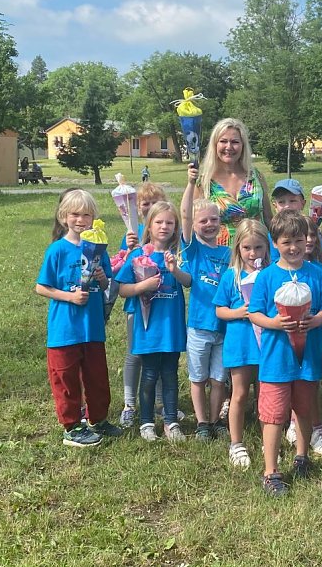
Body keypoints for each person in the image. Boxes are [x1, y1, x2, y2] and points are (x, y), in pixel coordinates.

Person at [248, 210, 322, 496]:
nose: (293, 247)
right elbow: (254, 313)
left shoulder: (317, 273)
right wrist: (274, 323)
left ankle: (302, 456)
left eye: (299, 240)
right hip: (276, 359)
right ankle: (271, 471)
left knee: (304, 409)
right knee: (273, 415)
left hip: (307, 358)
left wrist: (317, 320)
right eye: (286, 242)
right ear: (275, 244)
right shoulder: (267, 276)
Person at [35, 189, 122, 447]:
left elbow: (107, 284)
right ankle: (71, 426)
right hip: (65, 330)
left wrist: (102, 278)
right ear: (64, 217)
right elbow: (41, 287)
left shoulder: (97, 249)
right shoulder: (57, 250)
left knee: (97, 377)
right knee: (67, 379)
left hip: (92, 327)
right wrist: (69, 297)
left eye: (87, 214)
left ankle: (98, 420)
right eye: (75, 214)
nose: (81, 220)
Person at [116, 201, 191, 443]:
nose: (164, 226)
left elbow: (188, 282)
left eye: (170, 222)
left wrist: (174, 269)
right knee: (149, 374)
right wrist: (142, 287)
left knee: (170, 374)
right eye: (159, 222)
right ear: (149, 226)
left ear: (175, 227)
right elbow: (123, 289)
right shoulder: (139, 255)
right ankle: (146, 421)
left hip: (171, 326)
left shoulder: (179, 254)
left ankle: (171, 421)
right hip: (148, 329)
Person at [269, 178, 322, 456]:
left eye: (292, 200)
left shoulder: (311, 232)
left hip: (312, 315)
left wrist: (315, 245)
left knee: (309, 379)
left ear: (303, 203)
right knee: (281, 378)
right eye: (281, 201)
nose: (287, 206)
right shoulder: (277, 240)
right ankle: (289, 423)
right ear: (274, 206)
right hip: (281, 329)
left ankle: (312, 426)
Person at [180, 168, 232, 442]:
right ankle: (201, 422)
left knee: (218, 379)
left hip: (223, 328)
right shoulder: (192, 249)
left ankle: (216, 420)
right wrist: (190, 184)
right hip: (199, 326)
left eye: (214, 219)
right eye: (203, 221)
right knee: (198, 378)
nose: (209, 224)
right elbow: (185, 215)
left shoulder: (228, 253)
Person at [213, 219, 268, 468]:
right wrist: (239, 312)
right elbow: (220, 310)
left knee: (265, 394)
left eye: (258, 247)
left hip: (267, 343)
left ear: (267, 248)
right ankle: (236, 443)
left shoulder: (270, 274)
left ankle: (269, 438)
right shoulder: (230, 276)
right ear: (238, 248)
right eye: (247, 248)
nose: (252, 253)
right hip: (241, 344)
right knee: (240, 393)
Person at [116, 182, 169, 428]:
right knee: (135, 354)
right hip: (135, 307)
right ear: (136, 207)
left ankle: (159, 403)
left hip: (161, 308)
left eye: (154, 202)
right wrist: (128, 250)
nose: (149, 207)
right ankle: (129, 404)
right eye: (144, 203)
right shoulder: (132, 233)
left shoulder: (165, 232)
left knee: (158, 354)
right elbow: (119, 269)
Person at [193, 118, 272, 246]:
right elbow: (192, 222)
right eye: (223, 141)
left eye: (235, 142)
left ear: (243, 146)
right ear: (215, 145)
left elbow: (268, 218)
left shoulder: (256, 177)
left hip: (257, 252)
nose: (229, 147)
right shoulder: (203, 182)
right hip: (219, 256)